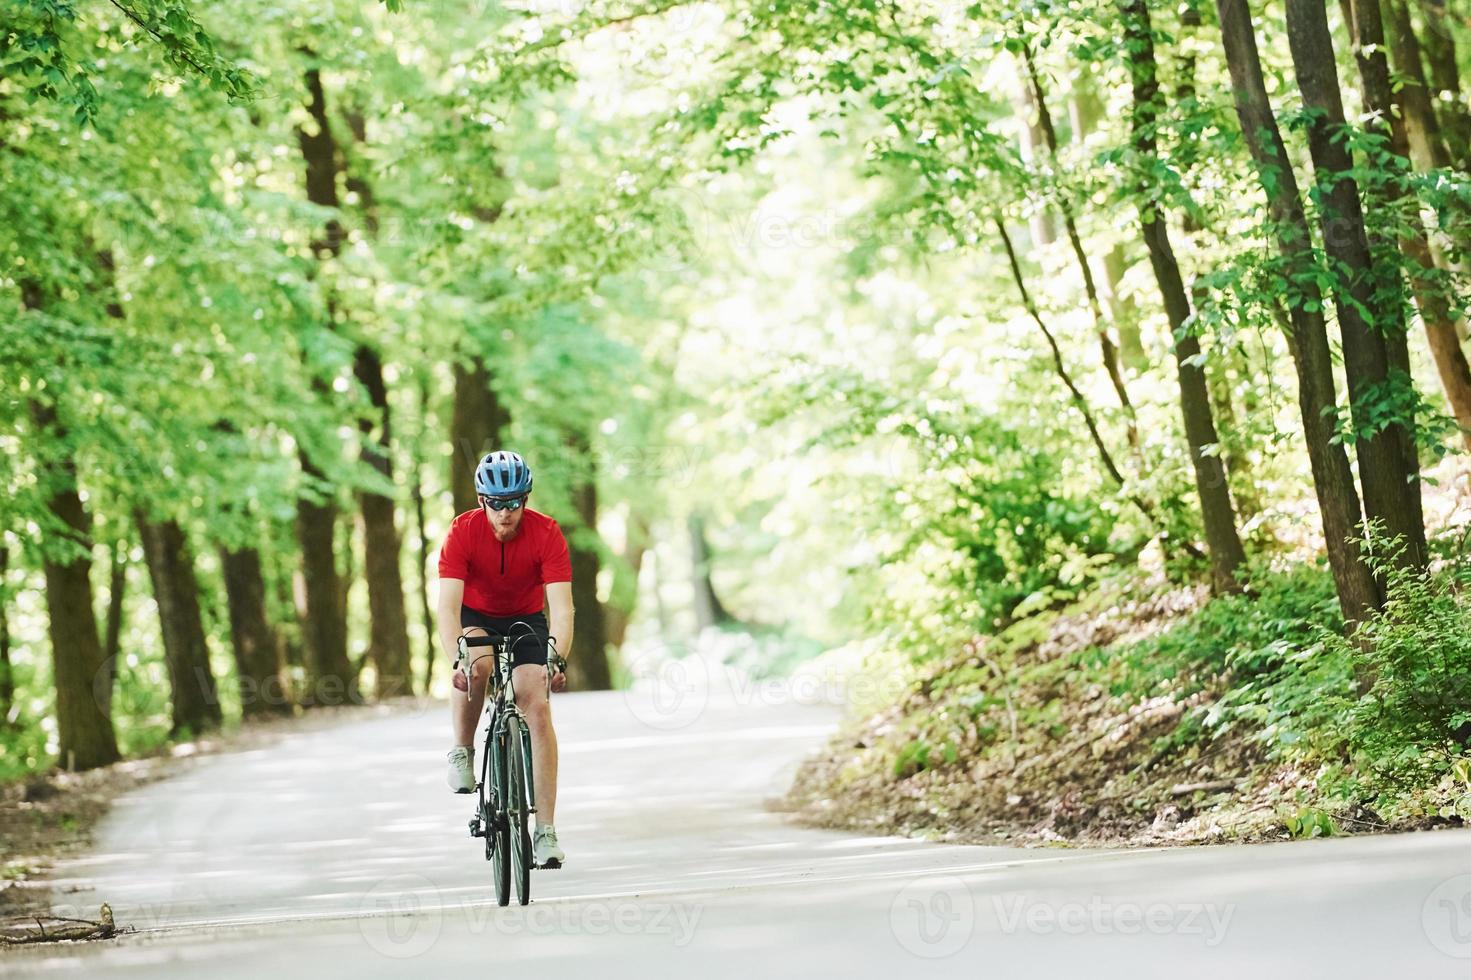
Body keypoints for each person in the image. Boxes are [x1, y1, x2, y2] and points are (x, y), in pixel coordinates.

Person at [438, 450, 572, 869]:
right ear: (482, 501)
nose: (505, 513)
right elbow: (447, 608)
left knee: (538, 705)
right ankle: (462, 749)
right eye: (496, 503)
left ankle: (545, 831)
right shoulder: (462, 531)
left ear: (526, 499)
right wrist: (456, 659)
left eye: (514, 502)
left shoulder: (547, 533)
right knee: (477, 669)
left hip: (526, 618)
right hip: (476, 616)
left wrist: (557, 659)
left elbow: (563, 609)